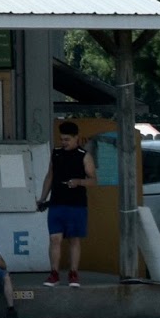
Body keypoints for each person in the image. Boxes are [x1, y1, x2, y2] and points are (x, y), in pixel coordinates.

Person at [38, 119, 97, 287]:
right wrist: (43, 197)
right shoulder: (56, 153)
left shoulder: (84, 156)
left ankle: (73, 273)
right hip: (57, 202)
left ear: (76, 138)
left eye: (67, 139)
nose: (63, 143)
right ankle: (54, 273)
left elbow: (93, 180)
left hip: (76, 204)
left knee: (73, 239)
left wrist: (78, 181)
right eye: (62, 139)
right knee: (54, 238)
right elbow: (50, 176)